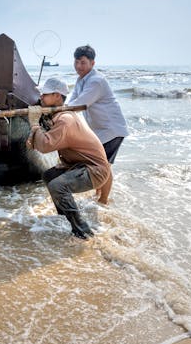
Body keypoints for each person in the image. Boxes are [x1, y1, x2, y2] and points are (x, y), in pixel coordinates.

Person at [27, 77, 111, 239]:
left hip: (95, 171)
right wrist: (36, 128)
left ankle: (82, 231)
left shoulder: (65, 120)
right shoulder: (60, 116)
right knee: (49, 175)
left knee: (58, 185)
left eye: (45, 94)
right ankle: (64, 216)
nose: (41, 98)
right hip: (80, 165)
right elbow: (34, 144)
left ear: (57, 96)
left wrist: (34, 125)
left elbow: (44, 146)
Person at [66, 44, 128, 204]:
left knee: (104, 166)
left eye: (83, 62)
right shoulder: (80, 80)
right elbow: (70, 102)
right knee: (98, 164)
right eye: (76, 62)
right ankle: (98, 194)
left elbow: (79, 104)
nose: (78, 66)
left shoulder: (96, 81)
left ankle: (104, 200)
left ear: (92, 63)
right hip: (99, 131)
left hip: (111, 130)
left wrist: (57, 111)